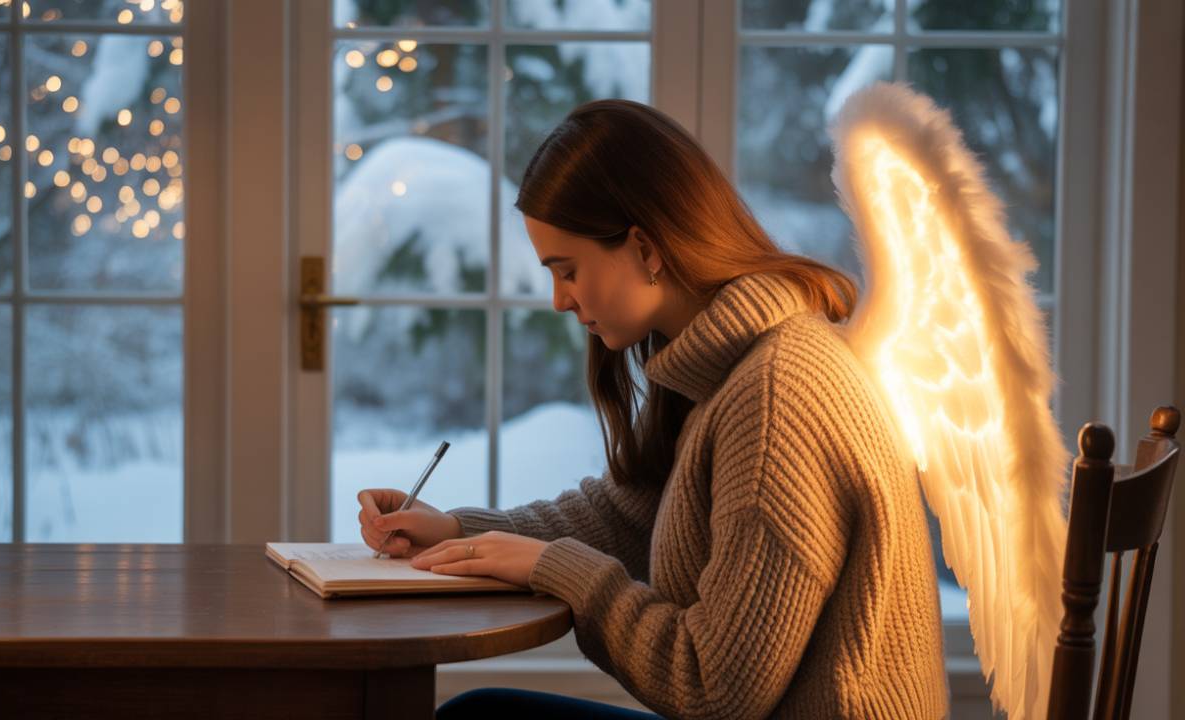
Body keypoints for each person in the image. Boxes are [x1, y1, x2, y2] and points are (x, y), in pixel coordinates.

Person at [356, 99, 949, 719]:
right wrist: (461, 532)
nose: (560, 300)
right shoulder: (718, 366)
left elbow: (714, 689)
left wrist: (558, 570)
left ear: (645, 248)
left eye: (569, 270)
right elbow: (630, 513)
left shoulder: (778, 396)